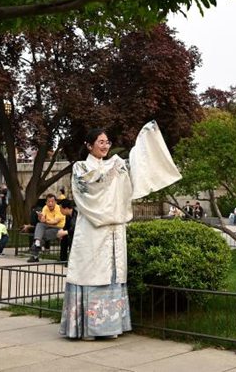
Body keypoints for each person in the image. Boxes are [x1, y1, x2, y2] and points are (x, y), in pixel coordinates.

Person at [59, 122, 181, 340]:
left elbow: (134, 174)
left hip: (115, 229)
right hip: (92, 229)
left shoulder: (116, 165)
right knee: (91, 272)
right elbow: (89, 191)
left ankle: (109, 327)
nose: (105, 146)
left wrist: (143, 143)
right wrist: (110, 170)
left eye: (107, 142)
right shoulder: (81, 168)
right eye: (100, 142)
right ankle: (87, 328)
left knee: (112, 272)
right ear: (89, 145)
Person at [27, 194, 66, 262]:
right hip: (48, 226)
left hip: (58, 228)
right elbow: (42, 220)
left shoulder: (59, 208)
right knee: (39, 225)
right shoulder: (45, 207)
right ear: (46, 202)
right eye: (48, 201)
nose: (50, 203)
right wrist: (40, 217)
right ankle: (37, 243)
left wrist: (45, 221)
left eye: (52, 201)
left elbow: (55, 222)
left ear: (55, 202)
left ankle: (35, 256)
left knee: (40, 235)